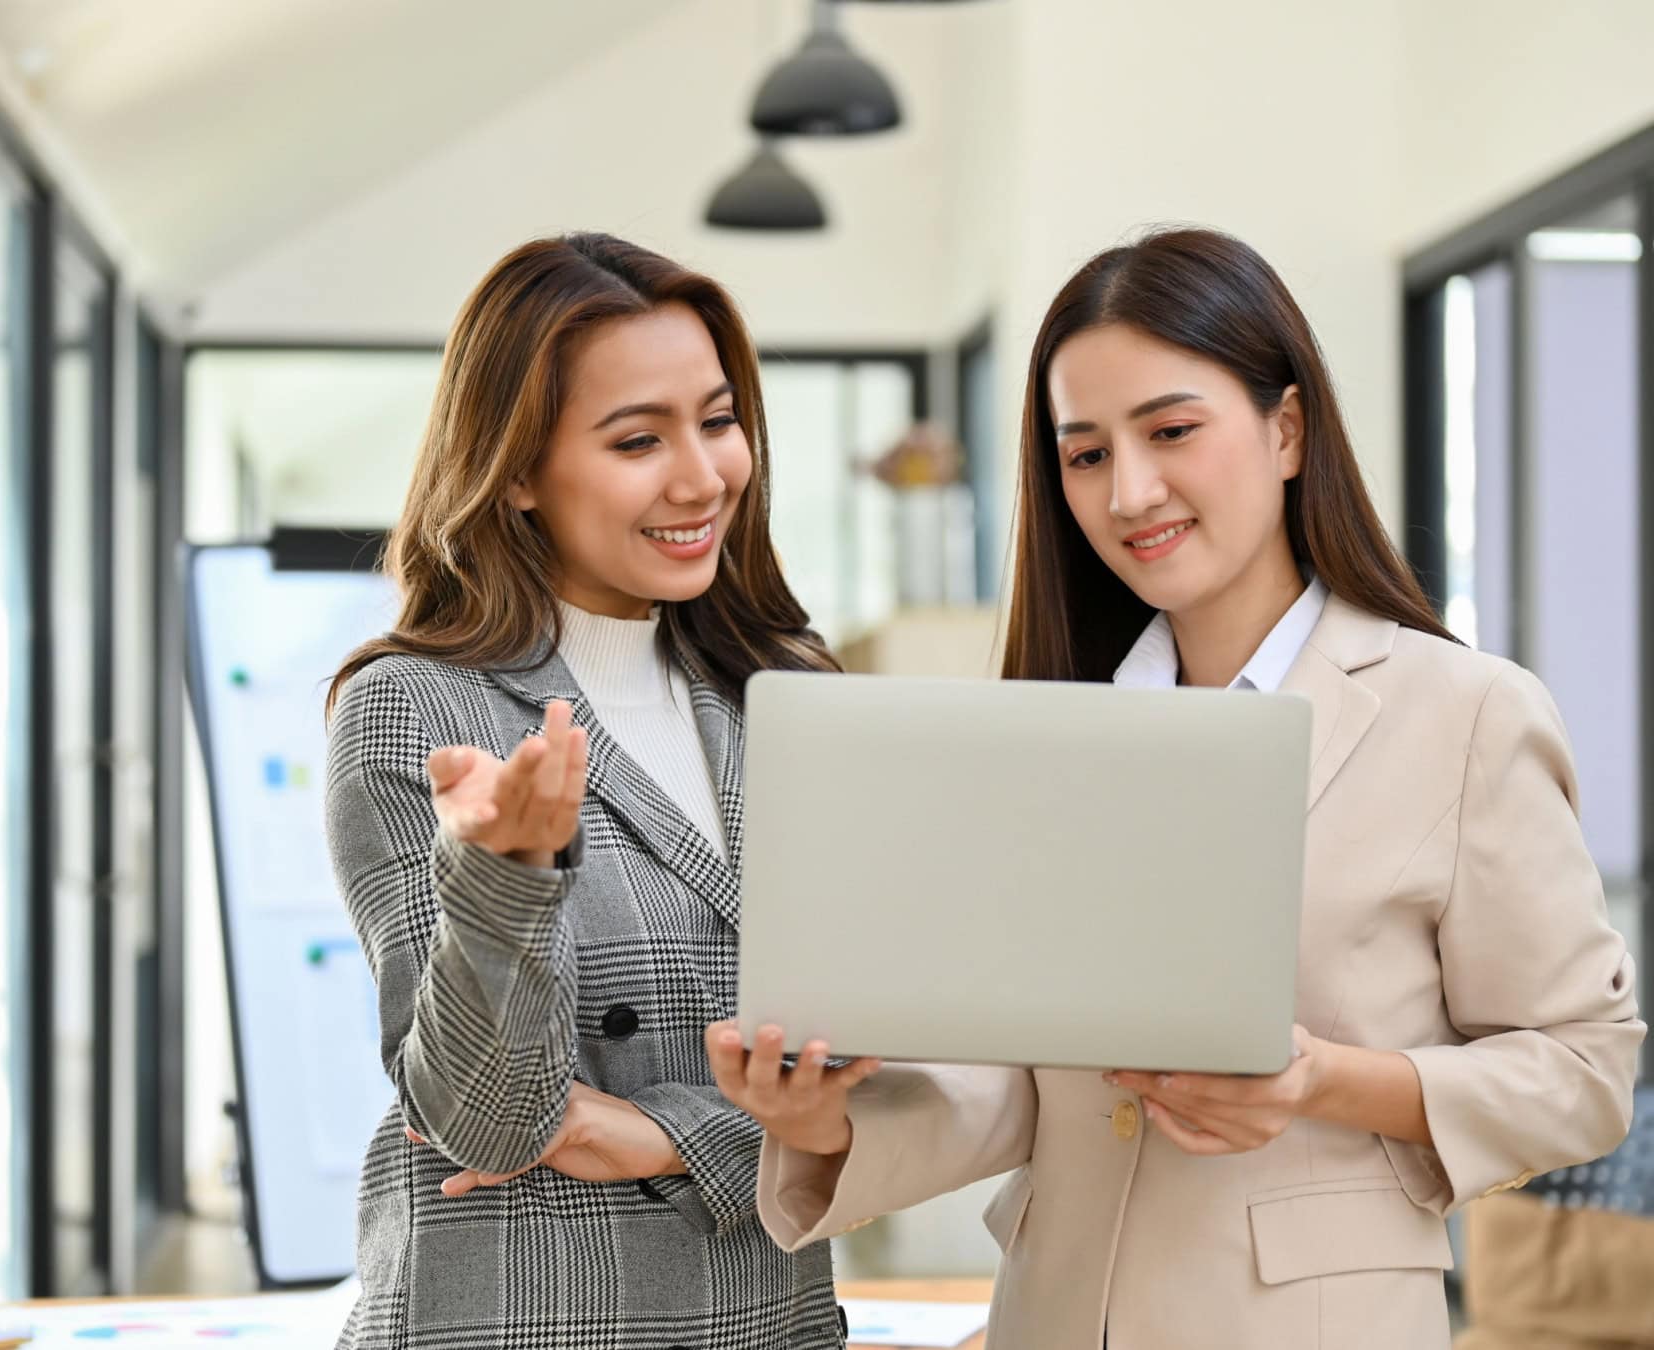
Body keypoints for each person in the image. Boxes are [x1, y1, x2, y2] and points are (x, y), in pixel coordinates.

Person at [707, 226, 1645, 1350]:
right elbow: (1026, 1085)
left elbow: (1585, 1070)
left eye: (1172, 431)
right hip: (1056, 1317)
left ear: (1286, 429)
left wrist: (1323, 1082)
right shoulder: (1055, 726)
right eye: (1086, 453)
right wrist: (822, 1120)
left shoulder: (1465, 714)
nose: (1129, 490)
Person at [326, 231, 844, 1348]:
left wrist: (661, 1135)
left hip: (764, 1318)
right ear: (516, 471)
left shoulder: (788, 698)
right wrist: (506, 878)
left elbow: (884, 1081)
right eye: (636, 440)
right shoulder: (419, 709)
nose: (702, 476)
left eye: (716, 420)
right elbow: (488, 1121)